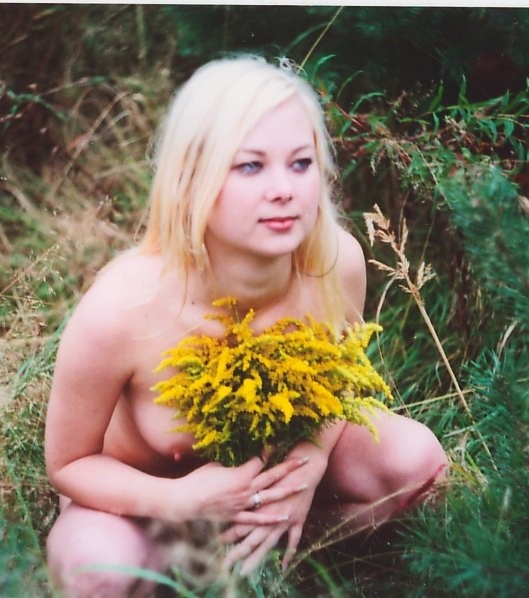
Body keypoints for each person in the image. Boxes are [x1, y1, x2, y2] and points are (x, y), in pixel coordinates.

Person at [44, 55, 449, 597]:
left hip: (274, 476)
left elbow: (338, 385)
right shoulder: (123, 305)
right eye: (250, 166)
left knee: (419, 467)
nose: (283, 189)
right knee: (98, 572)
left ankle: (279, 557)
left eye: (301, 163)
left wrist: (309, 462)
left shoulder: (336, 264)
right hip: (147, 500)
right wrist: (178, 501)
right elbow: (69, 463)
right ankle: (179, 570)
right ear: (192, 180)